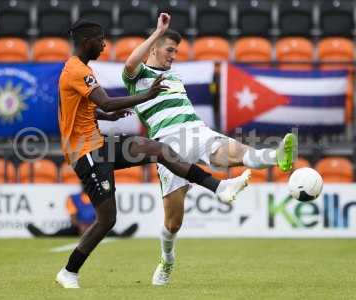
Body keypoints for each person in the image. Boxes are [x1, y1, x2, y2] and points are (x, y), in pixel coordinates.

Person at [55, 19, 251, 289]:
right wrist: (146, 95)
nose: (104, 44)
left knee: (159, 149)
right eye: (100, 40)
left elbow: (78, 109)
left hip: (98, 143)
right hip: (86, 153)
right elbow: (107, 100)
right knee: (107, 219)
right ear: (86, 41)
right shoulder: (77, 71)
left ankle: (220, 187)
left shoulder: (79, 68)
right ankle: (69, 271)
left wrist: (105, 115)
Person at [122, 13, 297, 285]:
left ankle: (276, 156)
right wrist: (158, 32)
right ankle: (167, 261)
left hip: (196, 131)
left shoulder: (175, 77)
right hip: (167, 146)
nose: (174, 56)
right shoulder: (138, 77)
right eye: (170, 50)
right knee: (173, 224)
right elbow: (131, 62)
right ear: (154, 48)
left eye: (176, 51)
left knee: (234, 152)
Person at [26, 191, 138, 238]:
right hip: (79, 227)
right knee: (64, 232)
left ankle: (121, 236)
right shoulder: (73, 198)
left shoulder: (98, 198)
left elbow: (103, 217)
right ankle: (45, 236)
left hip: (94, 226)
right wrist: (81, 226)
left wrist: (90, 227)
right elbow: (73, 218)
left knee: (106, 230)